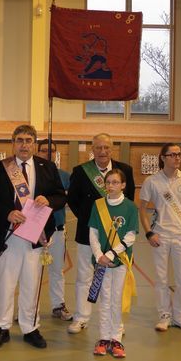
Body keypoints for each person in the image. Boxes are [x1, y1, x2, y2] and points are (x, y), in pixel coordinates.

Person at [0, 124, 66, 349]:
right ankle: (2, 327)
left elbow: (60, 196)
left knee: (31, 284)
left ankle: (30, 327)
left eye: (29, 140)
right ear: (13, 143)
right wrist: (7, 213)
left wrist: (49, 200)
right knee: (5, 284)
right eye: (20, 140)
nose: (24, 145)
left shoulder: (47, 167)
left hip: (35, 236)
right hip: (7, 236)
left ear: (35, 144)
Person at [66, 133, 135, 334]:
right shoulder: (81, 171)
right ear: (92, 149)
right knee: (84, 277)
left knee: (116, 283)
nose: (102, 151)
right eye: (98, 147)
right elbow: (73, 200)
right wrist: (90, 221)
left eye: (106, 147)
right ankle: (81, 318)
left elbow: (129, 200)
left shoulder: (125, 170)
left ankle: (115, 322)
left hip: (117, 238)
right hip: (89, 234)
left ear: (112, 149)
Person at [139, 143, 181, 332]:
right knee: (161, 280)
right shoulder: (152, 181)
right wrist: (149, 232)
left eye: (179, 154)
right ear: (163, 158)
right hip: (161, 236)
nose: (177, 158)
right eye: (172, 154)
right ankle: (164, 316)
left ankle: (179, 316)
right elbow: (142, 208)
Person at [87, 168, 138, 358]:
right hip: (101, 261)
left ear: (123, 185)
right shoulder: (98, 205)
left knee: (117, 299)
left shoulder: (130, 207)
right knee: (105, 299)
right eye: (108, 182)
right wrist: (99, 255)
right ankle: (104, 338)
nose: (110, 186)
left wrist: (110, 254)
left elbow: (130, 236)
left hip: (120, 261)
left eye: (115, 182)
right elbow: (93, 232)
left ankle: (116, 338)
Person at [37, 140, 73, 322]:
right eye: (44, 151)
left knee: (57, 269)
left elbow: (70, 199)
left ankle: (58, 305)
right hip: (35, 231)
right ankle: (29, 308)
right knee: (32, 271)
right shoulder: (31, 174)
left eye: (51, 151)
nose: (48, 154)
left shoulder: (64, 176)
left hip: (57, 231)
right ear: (38, 152)